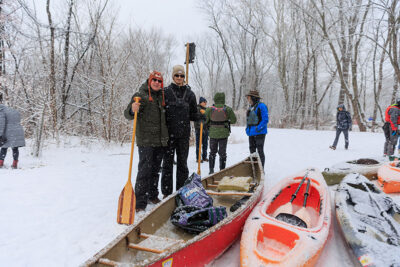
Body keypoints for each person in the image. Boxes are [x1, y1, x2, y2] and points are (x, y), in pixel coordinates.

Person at [123, 71, 169, 212]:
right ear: (149, 81)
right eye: (154, 80)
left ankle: (152, 195)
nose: (156, 82)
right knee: (144, 171)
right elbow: (127, 114)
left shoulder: (162, 96)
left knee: (155, 170)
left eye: (159, 81)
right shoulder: (140, 96)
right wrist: (132, 109)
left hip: (160, 141)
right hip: (146, 140)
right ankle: (140, 202)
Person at [161, 65, 199, 198]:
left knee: (182, 164)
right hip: (169, 136)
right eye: (176, 75)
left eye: (181, 75)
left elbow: (193, 114)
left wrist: (201, 116)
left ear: (184, 77)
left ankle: (181, 191)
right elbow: (159, 113)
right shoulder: (165, 92)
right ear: (173, 76)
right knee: (167, 164)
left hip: (183, 135)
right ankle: (167, 193)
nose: (179, 78)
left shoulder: (190, 94)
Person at [205, 92, 237, 174]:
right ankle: (222, 171)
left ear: (215, 99)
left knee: (212, 152)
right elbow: (234, 120)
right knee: (222, 153)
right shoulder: (228, 109)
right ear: (223, 99)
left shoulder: (209, 109)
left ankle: (211, 170)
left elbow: (205, 121)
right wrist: (227, 121)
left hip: (213, 134)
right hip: (223, 134)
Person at [0, 93, 25, 169]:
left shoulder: (1, 111)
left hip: (8, 132)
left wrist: (0, 135)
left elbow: (1, 124)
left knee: (4, 147)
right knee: (15, 148)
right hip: (17, 131)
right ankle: (15, 163)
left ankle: (0, 163)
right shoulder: (12, 110)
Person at [245, 90, 268, 168]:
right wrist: (247, 129)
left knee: (260, 150)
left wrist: (258, 128)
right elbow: (248, 120)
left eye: (249, 97)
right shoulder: (250, 107)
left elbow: (265, 119)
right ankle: (254, 169)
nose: (248, 99)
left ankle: (261, 170)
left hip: (260, 133)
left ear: (253, 98)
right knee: (252, 151)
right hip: (251, 133)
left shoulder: (262, 106)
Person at [195, 97, 208, 163]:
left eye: (206, 102)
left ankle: (204, 157)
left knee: (205, 144)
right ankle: (198, 158)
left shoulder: (206, 109)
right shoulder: (197, 109)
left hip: (205, 129)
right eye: (204, 102)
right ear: (201, 102)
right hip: (199, 129)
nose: (205, 103)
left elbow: (207, 118)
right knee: (199, 144)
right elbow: (197, 119)